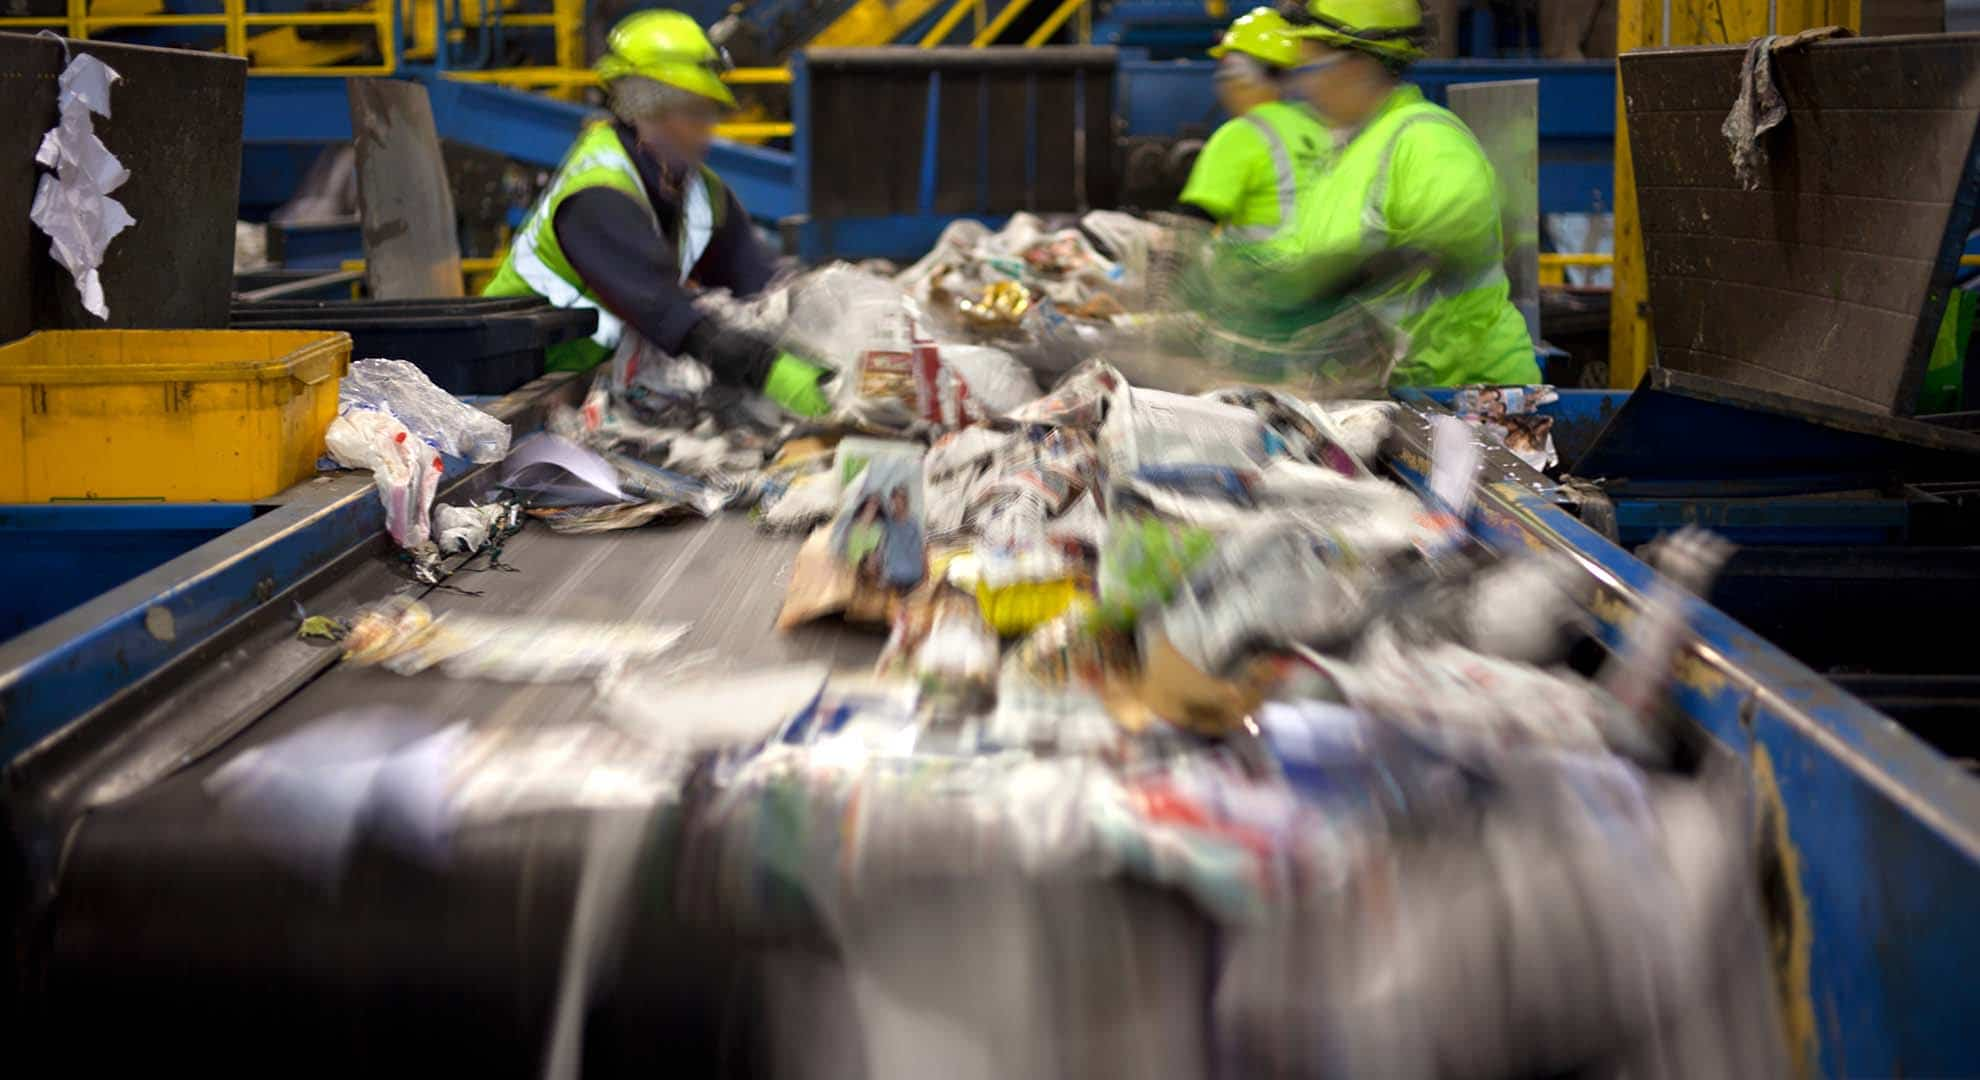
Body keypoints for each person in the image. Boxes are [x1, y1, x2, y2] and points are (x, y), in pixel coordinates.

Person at [484, 10, 832, 416]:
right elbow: (672, 316)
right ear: (648, 110)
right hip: (514, 396)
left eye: (709, 112)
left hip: (595, 391)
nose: (708, 129)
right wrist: (772, 371)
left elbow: (760, 280)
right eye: (695, 112)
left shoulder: (697, 190)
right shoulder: (598, 195)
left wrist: (827, 328)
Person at [1267, 0, 1539, 387]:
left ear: (1359, 66)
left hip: (1467, 399)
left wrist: (1354, 285)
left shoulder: (1425, 137)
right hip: (1394, 393)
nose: (1302, 85)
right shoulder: (1344, 154)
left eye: (1312, 65)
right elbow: (1302, 260)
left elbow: (1456, 239)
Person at [1175, 7, 1330, 242]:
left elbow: (1192, 225)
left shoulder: (1241, 135)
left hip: (1257, 274)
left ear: (1239, 75)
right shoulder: (1318, 129)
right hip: (1320, 273)